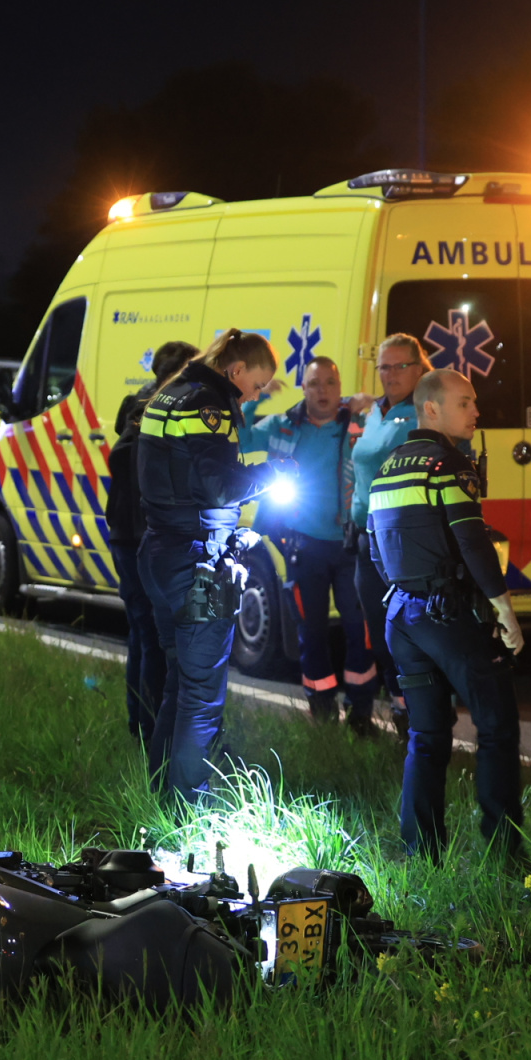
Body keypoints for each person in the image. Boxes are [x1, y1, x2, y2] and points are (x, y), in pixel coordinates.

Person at [367, 368, 528, 863]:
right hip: (449, 617)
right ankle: (505, 857)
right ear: (431, 408)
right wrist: (504, 609)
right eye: (465, 403)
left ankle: (422, 854)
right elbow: (472, 542)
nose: (476, 412)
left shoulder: (388, 468)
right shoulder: (448, 467)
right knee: (497, 726)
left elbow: (374, 550)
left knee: (427, 735)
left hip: (402, 617)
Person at [135, 329, 285, 807]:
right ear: (236, 370)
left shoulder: (171, 393)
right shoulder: (209, 405)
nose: (256, 395)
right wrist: (273, 475)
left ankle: (159, 801)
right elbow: (219, 485)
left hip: (161, 553)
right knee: (200, 701)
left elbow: (189, 472)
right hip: (199, 564)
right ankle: (186, 815)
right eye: (257, 385)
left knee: (177, 688)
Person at [240, 356, 379, 724]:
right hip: (303, 546)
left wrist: (375, 403)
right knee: (311, 632)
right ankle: (321, 710)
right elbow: (238, 435)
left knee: (360, 630)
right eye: (314, 384)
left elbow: (401, 424)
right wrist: (255, 397)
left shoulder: (361, 424)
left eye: (330, 384)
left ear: (340, 387)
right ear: (304, 388)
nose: (322, 392)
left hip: (352, 546)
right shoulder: (282, 426)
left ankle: (361, 711)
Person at [105, 339, 201, 744]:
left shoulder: (134, 412)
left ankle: (139, 723)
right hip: (143, 540)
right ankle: (151, 730)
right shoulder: (157, 417)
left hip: (126, 538)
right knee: (155, 637)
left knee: (141, 632)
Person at [349, 333, 432, 739]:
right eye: (385, 366)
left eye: (401, 366)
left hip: (403, 540)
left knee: (409, 631)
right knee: (383, 632)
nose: (391, 374)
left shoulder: (425, 411)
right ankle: (403, 713)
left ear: (420, 368)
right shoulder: (377, 412)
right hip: (368, 537)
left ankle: (423, 721)